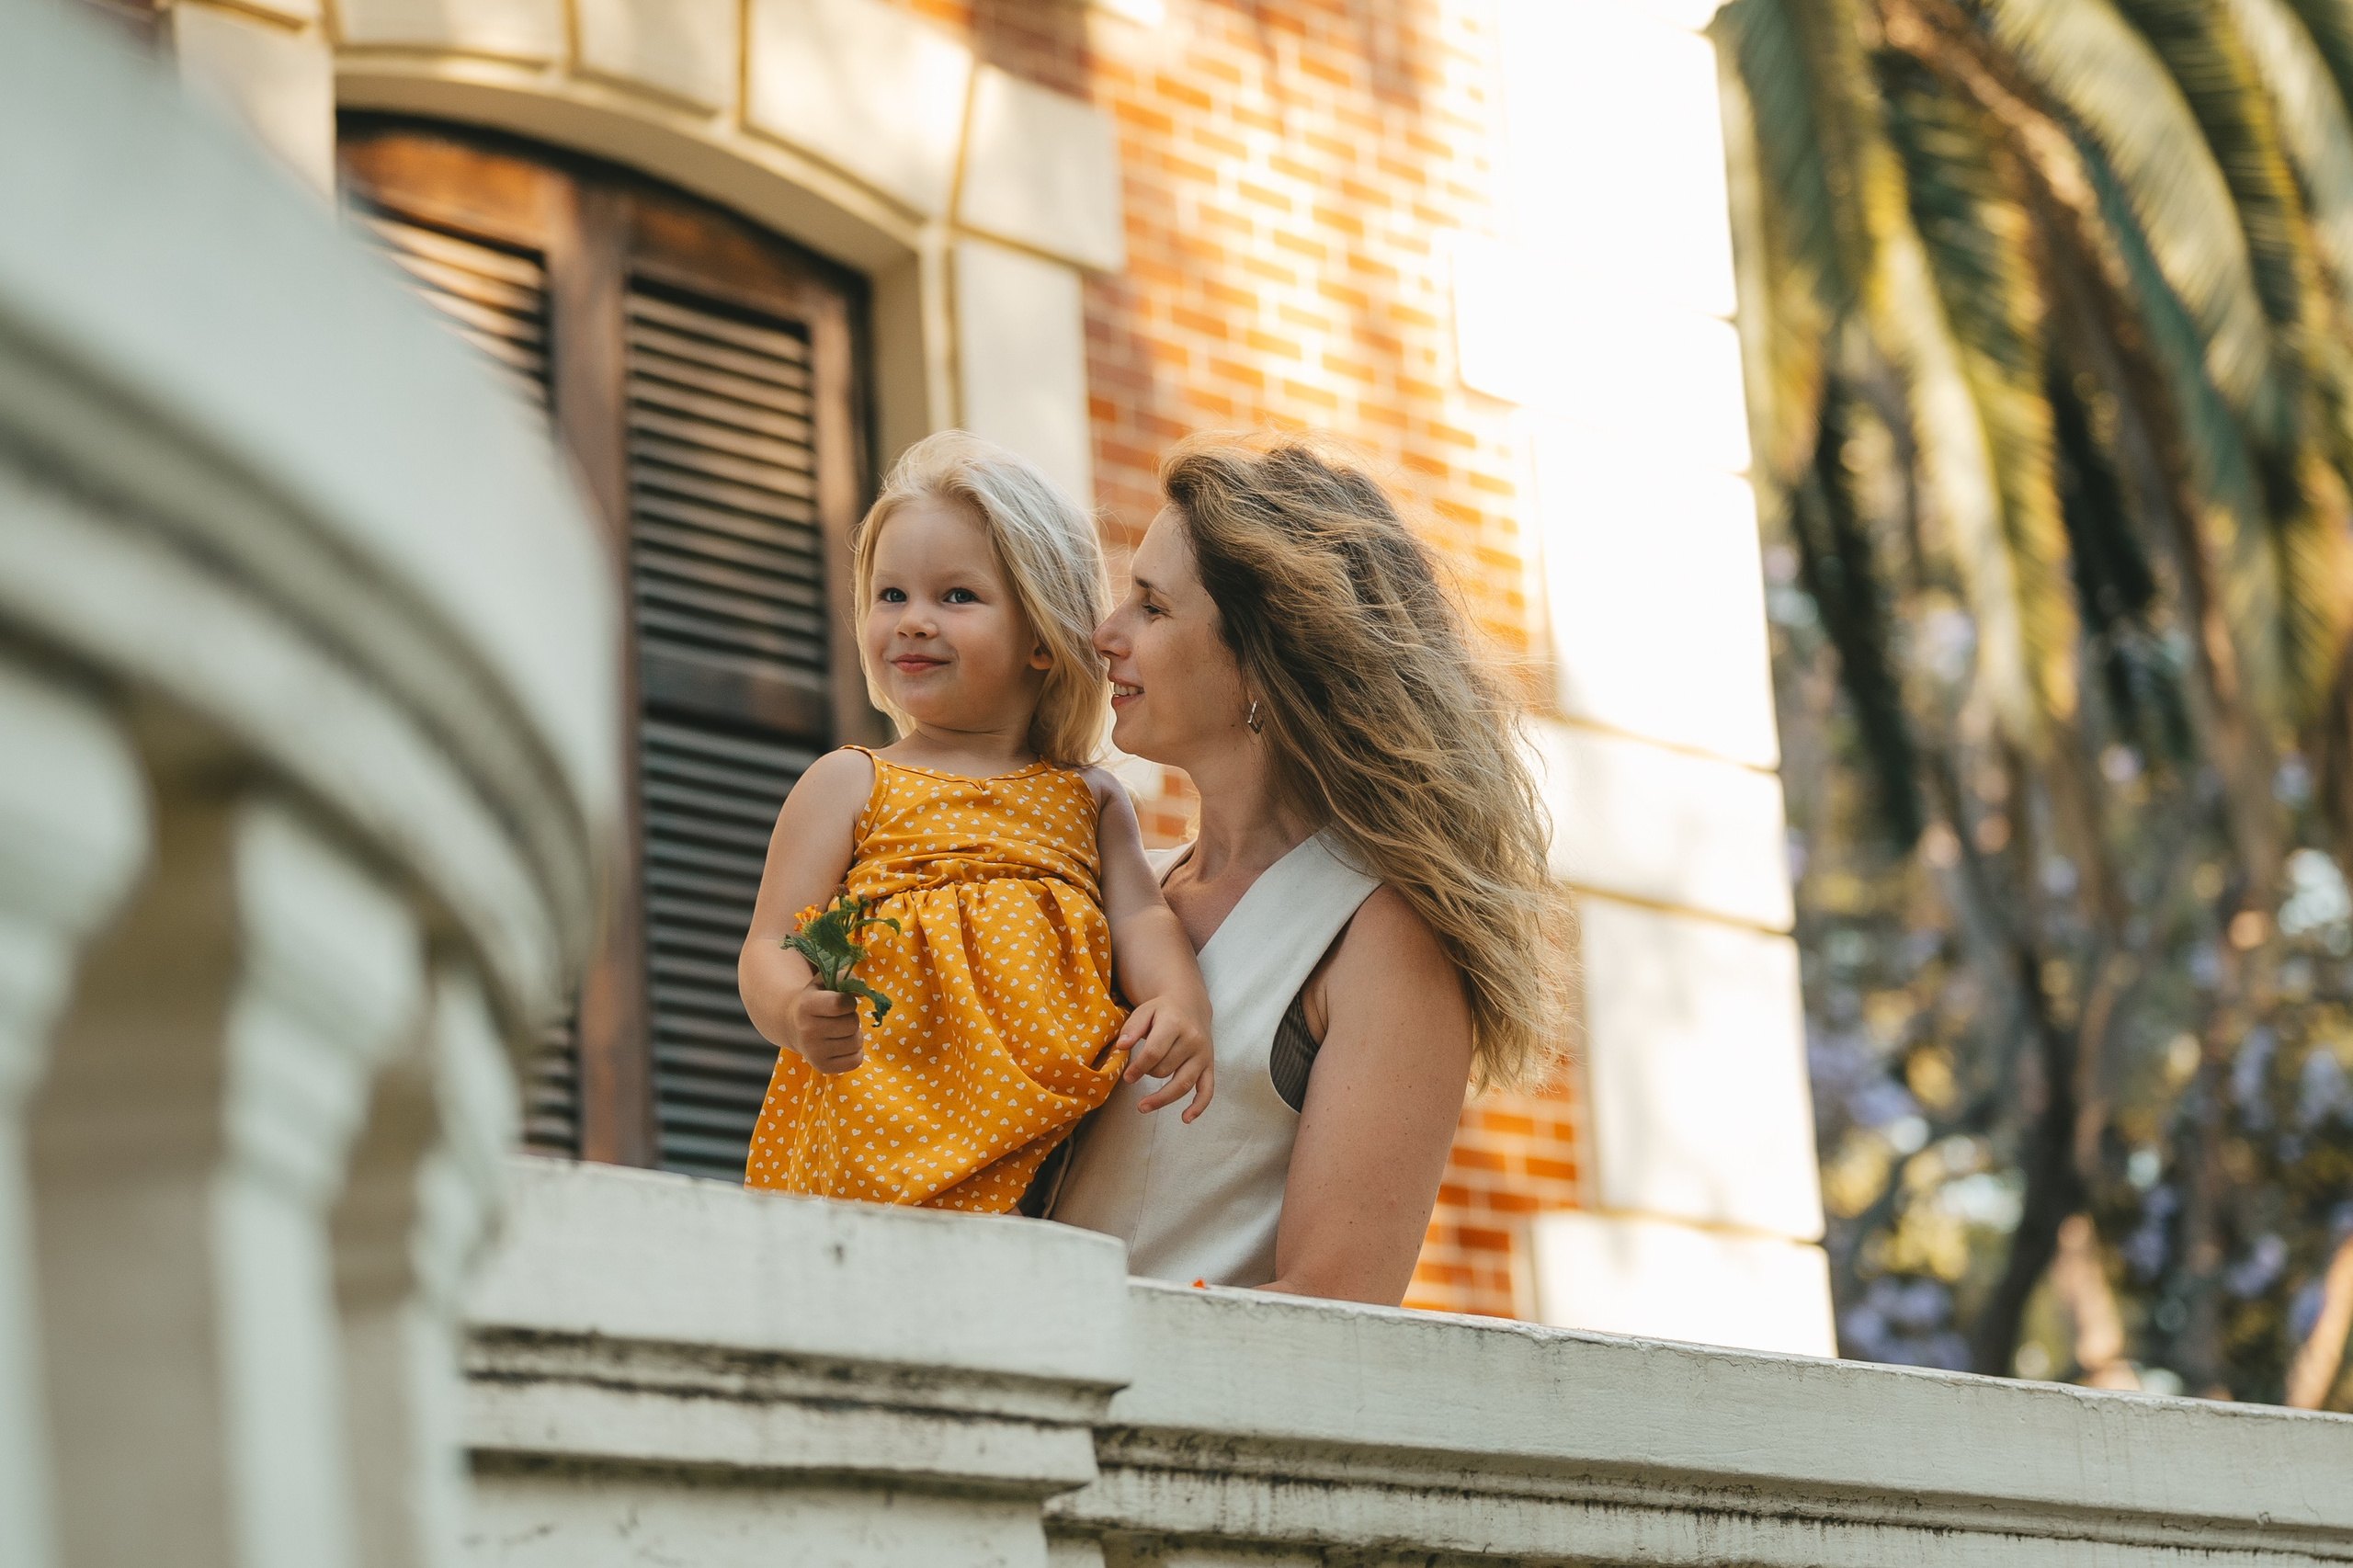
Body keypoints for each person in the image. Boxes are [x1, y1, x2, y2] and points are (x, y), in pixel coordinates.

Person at [1048, 434, 1570, 1303]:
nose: (1104, 634)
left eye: (1151, 606)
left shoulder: (1379, 934)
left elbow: (1332, 1305)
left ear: (1260, 662)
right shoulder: (1129, 884)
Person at [737, 431, 1214, 1213]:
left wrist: (1178, 1000)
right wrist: (794, 1011)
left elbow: (1141, 918)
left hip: (1032, 1127)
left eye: (955, 597)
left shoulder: (1087, 798)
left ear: (1039, 635)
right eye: (891, 596)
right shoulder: (850, 782)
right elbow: (768, 944)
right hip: (871, 1126)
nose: (914, 621)